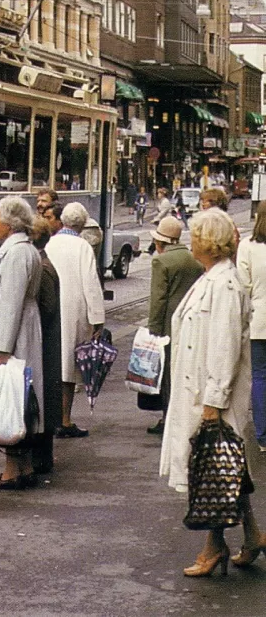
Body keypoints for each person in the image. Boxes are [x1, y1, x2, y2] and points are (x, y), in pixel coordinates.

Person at [160, 208, 266, 577]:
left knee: (210, 470)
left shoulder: (225, 284)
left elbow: (224, 347)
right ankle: (252, 536)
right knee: (225, 467)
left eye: (196, 235)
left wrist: (213, 401)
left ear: (209, 241)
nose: (191, 240)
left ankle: (213, 546)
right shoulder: (212, 277)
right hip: (198, 388)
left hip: (210, 394)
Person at [0, 196, 43, 489]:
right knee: (24, 397)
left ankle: (12, 470)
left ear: (9, 224)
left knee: (11, 398)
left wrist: (2, 349)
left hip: (16, 333)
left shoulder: (17, 254)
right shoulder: (24, 250)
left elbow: (10, 303)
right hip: (25, 326)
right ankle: (26, 466)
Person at [46, 201, 105, 438]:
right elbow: (91, 283)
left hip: (52, 308)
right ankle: (65, 419)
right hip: (75, 310)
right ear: (81, 225)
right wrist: (97, 318)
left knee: (53, 365)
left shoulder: (50, 243)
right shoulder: (82, 246)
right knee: (69, 369)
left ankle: (49, 418)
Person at [146, 217, 203, 435]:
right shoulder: (193, 259)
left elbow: (158, 299)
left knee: (167, 376)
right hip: (191, 324)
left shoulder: (162, 262)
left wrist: (153, 329)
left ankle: (168, 417)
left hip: (169, 327)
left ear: (161, 242)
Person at [30, 216, 62, 474]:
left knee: (44, 398)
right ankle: (42, 456)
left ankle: (42, 458)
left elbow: (47, 308)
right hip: (47, 340)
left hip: (45, 341)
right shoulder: (43, 263)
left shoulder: (42, 267)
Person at [237, 200, 266, 454]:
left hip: (258, 321)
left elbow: (243, 288)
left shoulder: (247, 247)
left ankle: (263, 436)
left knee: (259, 377)